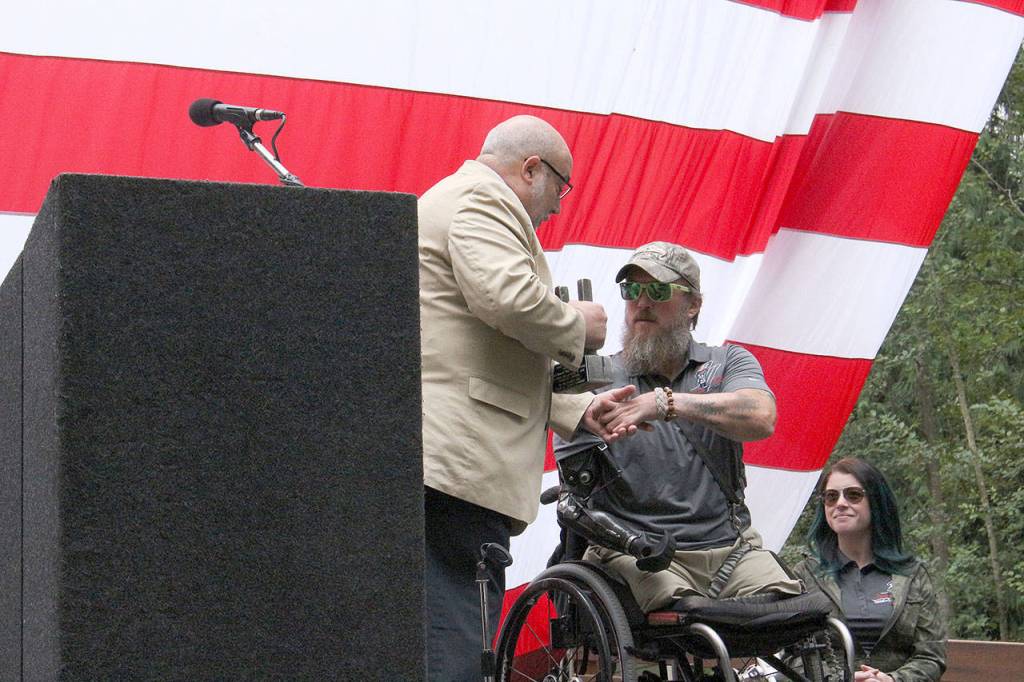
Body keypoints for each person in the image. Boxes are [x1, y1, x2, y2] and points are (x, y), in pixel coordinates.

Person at [418, 114, 632, 681]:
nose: (559, 207)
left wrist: (577, 409)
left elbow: (483, 343)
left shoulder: (459, 200)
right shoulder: (482, 202)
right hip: (461, 465)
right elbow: (508, 302)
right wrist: (577, 324)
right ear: (531, 168)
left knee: (450, 632)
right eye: (560, 186)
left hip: (449, 463)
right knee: (456, 646)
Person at [552, 241, 803, 614]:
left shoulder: (726, 362)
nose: (642, 302)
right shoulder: (598, 378)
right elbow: (573, 489)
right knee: (690, 620)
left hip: (733, 551)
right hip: (639, 552)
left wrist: (664, 403)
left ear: (693, 304)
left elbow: (761, 417)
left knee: (797, 614)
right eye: (632, 290)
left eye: (657, 290)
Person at [793, 457, 947, 682]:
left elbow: (931, 656)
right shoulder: (804, 575)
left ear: (876, 501)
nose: (841, 503)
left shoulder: (912, 574)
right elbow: (791, 655)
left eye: (853, 495)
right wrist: (840, 679)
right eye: (831, 497)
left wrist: (892, 680)